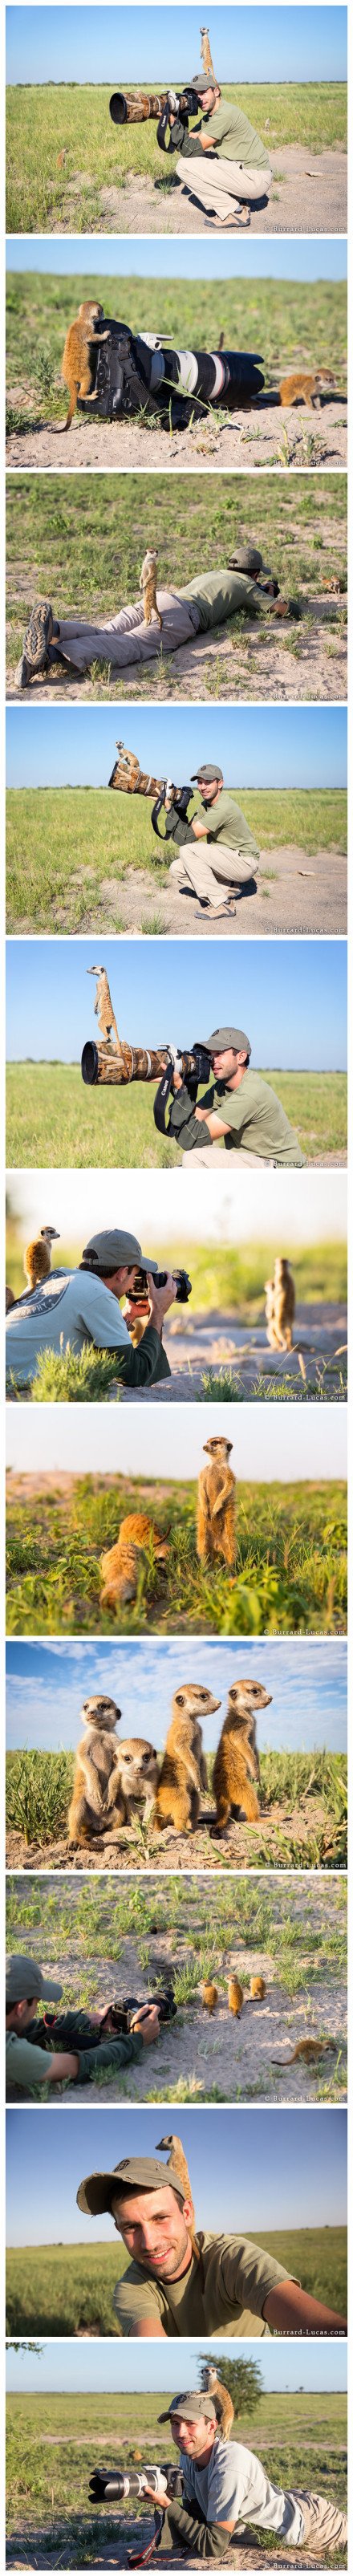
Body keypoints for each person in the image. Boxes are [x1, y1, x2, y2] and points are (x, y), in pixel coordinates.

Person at [76, 2154, 347, 2338]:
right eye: (131, 2227)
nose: (150, 2243)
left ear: (187, 2214)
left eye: (161, 2218)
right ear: (119, 2230)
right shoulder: (131, 2288)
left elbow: (323, 2330)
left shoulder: (232, 2258)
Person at [15, 549, 286, 689]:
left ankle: (54, 628)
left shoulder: (216, 573)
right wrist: (270, 593)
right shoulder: (247, 586)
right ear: (255, 575)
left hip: (162, 598)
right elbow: (282, 610)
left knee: (106, 632)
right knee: (130, 645)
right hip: (182, 617)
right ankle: (49, 655)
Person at [142, 2390, 347, 2558]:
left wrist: (168, 2505)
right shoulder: (188, 2455)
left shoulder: (229, 2467)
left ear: (212, 2426)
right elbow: (197, 2517)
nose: (181, 2433)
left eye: (190, 2424)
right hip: (288, 2500)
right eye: (175, 2424)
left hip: (313, 2526)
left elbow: (214, 2547)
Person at [6, 1227, 175, 1392]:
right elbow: (136, 1374)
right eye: (135, 1275)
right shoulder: (99, 1295)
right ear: (123, 1273)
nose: (134, 1283)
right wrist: (157, 1312)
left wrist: (127, 1316)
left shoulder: (55, 1276)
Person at [6, 1957, 161, 2099]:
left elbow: (31, 2030)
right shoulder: (10, 2053)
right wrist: (137, 2038)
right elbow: (80, 2064)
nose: (35, 2010)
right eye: (37, 2002)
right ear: (21, 2008)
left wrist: (90, 2019)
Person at [168, 1026, 305, 1167]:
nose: (212, 1060)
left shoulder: (250, 1093)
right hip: (252, 1162)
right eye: (210, 1054)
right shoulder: (221, 1088)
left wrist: (181, 1088)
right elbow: (185, 1126)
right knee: (177, 1173)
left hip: (281, 1168)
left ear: (241, 1057)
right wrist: (184, 1084)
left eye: (219, 1054)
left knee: (194, 1158)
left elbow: (191, 1139)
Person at [162, 73, 273, 230]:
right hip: (245, 171)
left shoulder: (224, 115)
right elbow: (188, 142)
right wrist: (179, 114)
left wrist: (173, 123)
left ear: (216, 91)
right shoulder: (211, 116)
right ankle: (239, 201)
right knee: (198, 157)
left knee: (184, 166)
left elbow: (190, 150)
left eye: (203, 92)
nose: (199, 98)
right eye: (195, 95)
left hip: (254, 178)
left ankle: (233, 212)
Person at [156, 762, 260, 918]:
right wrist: (178, 809)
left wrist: (169, 807)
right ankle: (229, 888)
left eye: (208, 782)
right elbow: (182, 836)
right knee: (176, 868)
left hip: (243, 862)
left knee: (187, 851)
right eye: (200, 782)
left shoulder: (223, 807)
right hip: (226, 859)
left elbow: (185, 841)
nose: (203, 787)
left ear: (220, 783)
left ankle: (222, 904)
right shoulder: (205, 806)